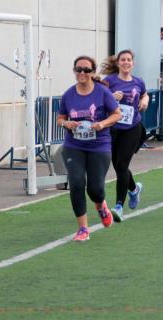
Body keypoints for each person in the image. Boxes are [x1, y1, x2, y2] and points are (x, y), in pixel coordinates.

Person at [57, 55, 122, 242]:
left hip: (99, 146)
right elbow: (60, 118)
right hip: (74, 145)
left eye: (86, 70)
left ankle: (101, 206)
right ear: (74, 71)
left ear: (93, 72)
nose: (82, 73)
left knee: (95, 189)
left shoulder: (102, 93)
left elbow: (116, 114)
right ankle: (83, 228)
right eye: (79, 69)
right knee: (77, 184)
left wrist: (102, 124)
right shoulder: (69, 94)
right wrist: (66, 124)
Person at [101, 49, 149, 222]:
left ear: (133, 63)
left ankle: (119, 206)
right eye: (123, 60)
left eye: (129, 60)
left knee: (121, 166)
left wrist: (145, 101)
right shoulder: (109, 81)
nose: (126, 62)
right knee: (117, 165)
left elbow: (144, 94)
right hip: (112, 128)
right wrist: (112, 97)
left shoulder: (138, 82)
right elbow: (99, 99)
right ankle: (134, 190)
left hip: (132, 128)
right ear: (118, 63)